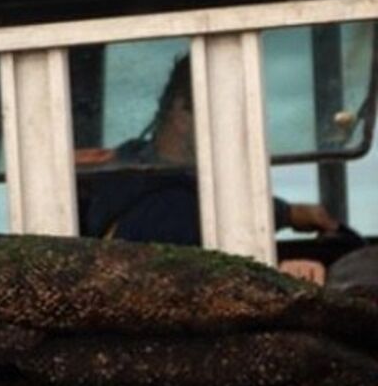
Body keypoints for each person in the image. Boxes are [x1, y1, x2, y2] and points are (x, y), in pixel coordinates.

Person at [83, 55, 340, 247]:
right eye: (223, 113)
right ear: (182, 114)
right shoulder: (170, 211)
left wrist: (287, 213)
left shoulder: (136, 171)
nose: (237, 129)